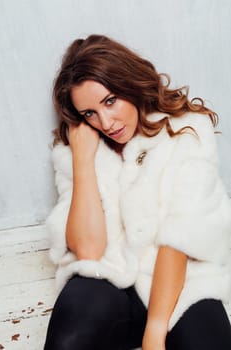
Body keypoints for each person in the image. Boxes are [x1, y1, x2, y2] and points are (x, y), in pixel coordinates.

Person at [44, 34, 231, 350]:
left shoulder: (187, 132)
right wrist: (82, 159)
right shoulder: (78, 151)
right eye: (89, 113)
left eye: (110, 101)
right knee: (68, 340)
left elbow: (180, 238)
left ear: (129, 84)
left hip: (181, 282)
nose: (106, 122)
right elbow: (88, 250)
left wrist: (155, 332)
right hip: (110, 281)